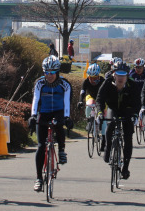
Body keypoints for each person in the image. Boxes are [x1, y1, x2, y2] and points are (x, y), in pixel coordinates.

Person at [29, 56, 73, 192]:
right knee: (41, 146)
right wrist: (33, 116)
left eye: (52, 73)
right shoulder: (39, 83)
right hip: (44, 112)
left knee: (59, 125)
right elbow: (35, 100)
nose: (49, 76)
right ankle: (38, 178)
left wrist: (67, 117)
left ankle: (61, 150)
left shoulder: (64, 84)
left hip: (59, 111)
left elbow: (67, 101)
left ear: (57, 72)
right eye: (46, 72)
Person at [96, 62, 140, 180]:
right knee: (110, 125)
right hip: (113, 108)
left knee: (128, 137)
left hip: (127, 110)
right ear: (114, 74)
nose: (120, 78)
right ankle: (108, 147)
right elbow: (99, 99)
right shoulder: (107, 83)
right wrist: (100, 113)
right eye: (118, 74)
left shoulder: (132, 85)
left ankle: (125, 167)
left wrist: (135, 115)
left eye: (123, 75)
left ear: (127, 76)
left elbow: (137, 103)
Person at [78, 63, 105, 132]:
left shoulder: (103, 81)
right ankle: (89, 120)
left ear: (98, 76)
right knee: (89, 105)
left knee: (103, 117)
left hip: (102, 99)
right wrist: (80, 101)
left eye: (95, 78)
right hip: (91, 97)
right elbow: (82, 92)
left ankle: (104, 138)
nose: (93, 80)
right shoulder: (86, 82)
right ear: (88, 77)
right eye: (91, 78)